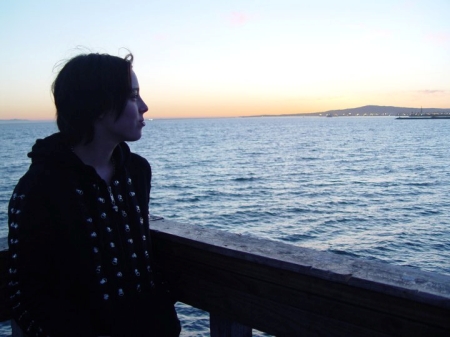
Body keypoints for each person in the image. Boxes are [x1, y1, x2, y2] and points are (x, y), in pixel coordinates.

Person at [7, 52, 181, 337]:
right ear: (99, 106)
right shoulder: (40, 187)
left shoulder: (136, 172)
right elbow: (25, 294)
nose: (145, 107)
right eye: (133, 96)